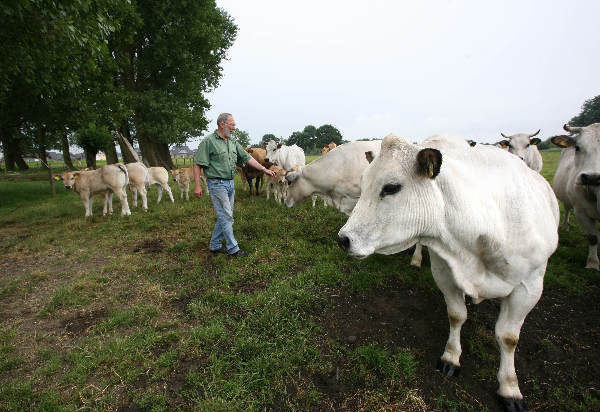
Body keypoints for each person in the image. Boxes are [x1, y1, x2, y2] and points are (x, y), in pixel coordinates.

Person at [193, 113, 275, 257]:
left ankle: (215, 245)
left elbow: (247, 157)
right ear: (222, 124)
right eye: (232, 125)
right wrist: (197, 186)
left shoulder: (232, 141)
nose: (234, 128)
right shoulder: (209, 141)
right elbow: (198, 164)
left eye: (234, 125)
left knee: (225, 215)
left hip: (230, 183)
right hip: (216, 183)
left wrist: (263, 169)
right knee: (226, 216)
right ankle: (233, 248)